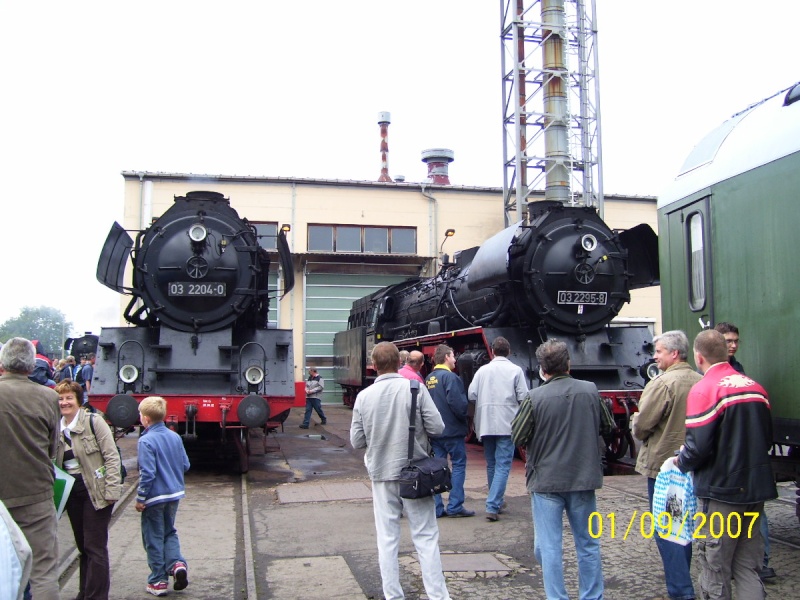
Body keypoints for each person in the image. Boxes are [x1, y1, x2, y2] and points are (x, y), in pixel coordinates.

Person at [676, 330, 777, 600]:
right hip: (755, 491)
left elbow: (697, 448)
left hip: (721, 491)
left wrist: (680, 461)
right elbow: (767, 440)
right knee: (748, 566)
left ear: (699, 357)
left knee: (715, 566)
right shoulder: (756, 387)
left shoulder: (704, 389)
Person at [350, 341, 450, 600]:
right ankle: (438, 596)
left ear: (373, 366)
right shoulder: (415, 388)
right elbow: (438, 428)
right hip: (416, 475)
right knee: (426, 537)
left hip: (382, 474)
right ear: (399, 362)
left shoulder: (363, 397)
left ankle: (393, 595)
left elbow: (357, 441)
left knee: (387, 538)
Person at [513, 339, 605, 600]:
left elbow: (518, 436)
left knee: (550, 548)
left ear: (542, 369)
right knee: (588, 544)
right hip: (583, 478)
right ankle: (592, 596)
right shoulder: (590, 390)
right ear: (568, 364)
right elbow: (607, 427)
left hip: (546, 482)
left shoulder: (534, 397)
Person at [631, 330, 701, 600]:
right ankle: (682, 581)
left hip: (665, 468)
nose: (655, 356)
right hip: (693, 464)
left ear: (674, 353)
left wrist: (634, 422)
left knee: (669, 529)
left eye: (659, 351)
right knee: (684, 526)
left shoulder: (662, 384)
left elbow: (642, 426)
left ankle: (681, 591)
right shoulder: (699, 380)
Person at [0, 337, 61, 600]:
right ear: (30, 366)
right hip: (35, 493)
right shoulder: (49, 397)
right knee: (43, 571)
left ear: (2, 363)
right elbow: (53, 448)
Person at [713, 321, 774, 581]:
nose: (734, 345)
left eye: (736, 340)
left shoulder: (739, 370)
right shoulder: (710, 372)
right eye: (728, 341)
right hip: (726, 455)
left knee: (754, 514)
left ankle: (762, 561)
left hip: (743, 453)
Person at [55, 380, 122, 600]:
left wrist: (112, 490)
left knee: (95, 547)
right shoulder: (56, 428)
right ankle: (84, 593)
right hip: (72, 492)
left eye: (68, 398)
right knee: (83, 546)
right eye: (61, 398)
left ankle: (97, 596)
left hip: (95, 489)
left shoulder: (94, 422)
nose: (64, 402)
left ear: (78, 400)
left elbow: (111, 456)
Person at [467, 336, 528, 521]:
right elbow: (524, 396)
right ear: (509, 352)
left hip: (486, 423)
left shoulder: (483, 371)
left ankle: (497, 501)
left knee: (492, 464)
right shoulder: (515, 370)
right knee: (503, 465)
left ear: (492, 351)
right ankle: (493, 505)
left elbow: (471, 394)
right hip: (507, 423)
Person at [135, 396, 191, 596]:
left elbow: (147, 473)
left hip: (154, 497)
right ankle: (176, 565)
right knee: (169, 531)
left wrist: (141, 498)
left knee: (153, 537)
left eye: (140, 414)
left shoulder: (145, 441)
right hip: (174, 494)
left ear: (146, 419)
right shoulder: (175, 437)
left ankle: (158, 580)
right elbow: (186, 465)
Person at [425, 344, 474, 518]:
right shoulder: (451, 378)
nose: (455, 360)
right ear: (446, 357)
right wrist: (465, 418)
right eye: (453, 356)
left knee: (437, 468)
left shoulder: (430, 378)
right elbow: (458, 404)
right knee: (459, 464)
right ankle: (455, 505)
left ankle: (437, 508)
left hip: (435, 432)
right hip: (452, 430)